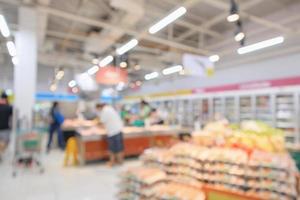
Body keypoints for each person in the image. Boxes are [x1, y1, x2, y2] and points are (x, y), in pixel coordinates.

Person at [0, 92, 13, 156]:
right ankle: (1, 153)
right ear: (6, 99)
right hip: (5, 129)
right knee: (5, 143)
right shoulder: (9, 107)